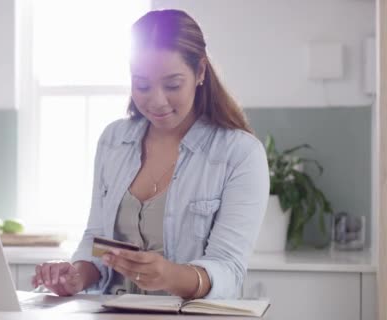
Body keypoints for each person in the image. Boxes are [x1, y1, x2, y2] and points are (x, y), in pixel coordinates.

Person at [32, 9, 269, 299]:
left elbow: (229, 271)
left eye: (172, 84)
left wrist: (170, 276)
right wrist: (77, 275)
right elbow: (97, 241)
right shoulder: (113, 141)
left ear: (201, 72)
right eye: (142, 84)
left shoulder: (240, 154)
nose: (156, 100)